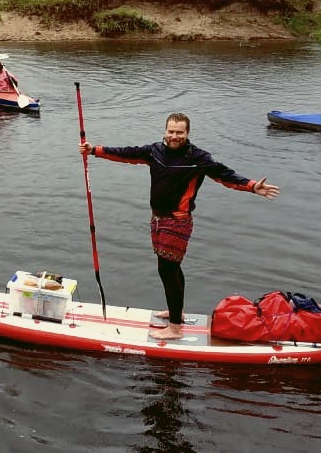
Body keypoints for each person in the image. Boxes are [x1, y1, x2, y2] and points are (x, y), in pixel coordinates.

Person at [79, 112, 281, 341]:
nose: (175, 136)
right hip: (157, 219)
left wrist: (252, 186)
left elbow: (225, 175)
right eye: (171, 131)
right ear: (165, 131)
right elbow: (127, 153)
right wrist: (93, 150)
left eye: (180, 132)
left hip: (178, 221)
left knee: (167, 270)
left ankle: (175, 327)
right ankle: (178, 313)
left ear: (187, 133)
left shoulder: (198, 158)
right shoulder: (154, 151)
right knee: (172, 269)